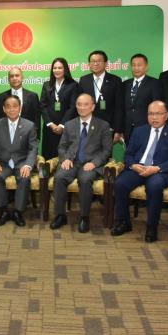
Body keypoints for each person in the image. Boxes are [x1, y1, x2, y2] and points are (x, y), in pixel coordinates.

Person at [110, 101, 168, 242]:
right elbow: (128, 154)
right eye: (151, 114)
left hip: (159, 171)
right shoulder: (139, 131)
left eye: (158, 114)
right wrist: (133, 165)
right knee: (120, 184)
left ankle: (151, 227)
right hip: (138, 168)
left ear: (166, 115)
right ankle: (123, 222)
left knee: (154, 187)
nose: (154, 117)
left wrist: (157, 168)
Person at [50, 93, 113, 233]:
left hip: (91, 164)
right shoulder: (69, 124)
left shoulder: (103, 125)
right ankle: (60, 215)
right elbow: (62, 147)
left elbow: (107, 150)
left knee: (85, 180)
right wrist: (65, 159)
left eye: (86, 104)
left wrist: (95, 163)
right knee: (59, 177)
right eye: (79, 104)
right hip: (72, 162)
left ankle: (84, 217)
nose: (82, 107)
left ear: (93, 107)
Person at [0, 95, 39, 227]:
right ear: (4, 109)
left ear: (20, 108)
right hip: (3, 162)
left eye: (15, 106)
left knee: (24, 178)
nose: (12, 109)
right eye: (8, 107)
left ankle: (18, 212)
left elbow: (33, 148)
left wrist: (28, 165)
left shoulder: (29, 125)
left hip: (21, 162)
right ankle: (3, 211)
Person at [78, 50, 123, 143]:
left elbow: (119, 107)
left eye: (99, 61)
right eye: (93, 61)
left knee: (105, 152)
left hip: (108, 128)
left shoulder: (115, 80)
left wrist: (117, 130)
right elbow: (79, 105)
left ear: (106, 63)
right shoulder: (84, 80)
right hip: (87, 127)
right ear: (89, 64)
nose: (95, 64)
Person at [40, 57, 78, 159]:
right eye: (54, 68)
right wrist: (50, 124)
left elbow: (73, 107)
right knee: (48, 157)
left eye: (60, 68)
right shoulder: (47, 85)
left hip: (67, 127)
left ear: (65, 69)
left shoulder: (73, 85)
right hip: (50, 128)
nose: (57, 70)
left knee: (65, 157)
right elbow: (42, 106)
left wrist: (62, 125)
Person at [121, 53, 161, 142]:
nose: (136, 68)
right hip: (127, 129)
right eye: (133, 65)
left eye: (139, 65)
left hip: (147, 128)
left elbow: (157, 107)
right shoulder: (125, 84)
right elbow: (122, 108)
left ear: (146, 67)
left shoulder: (154, 83)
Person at [0, 67, 41, 137]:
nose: (14, 78)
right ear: (8, 79)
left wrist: (36, 137)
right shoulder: (0, 97)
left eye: (17, 75)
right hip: (6, 137)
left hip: (27, 137)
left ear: (22, 77)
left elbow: (36, 119)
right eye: (11, 76)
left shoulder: (33, 96)